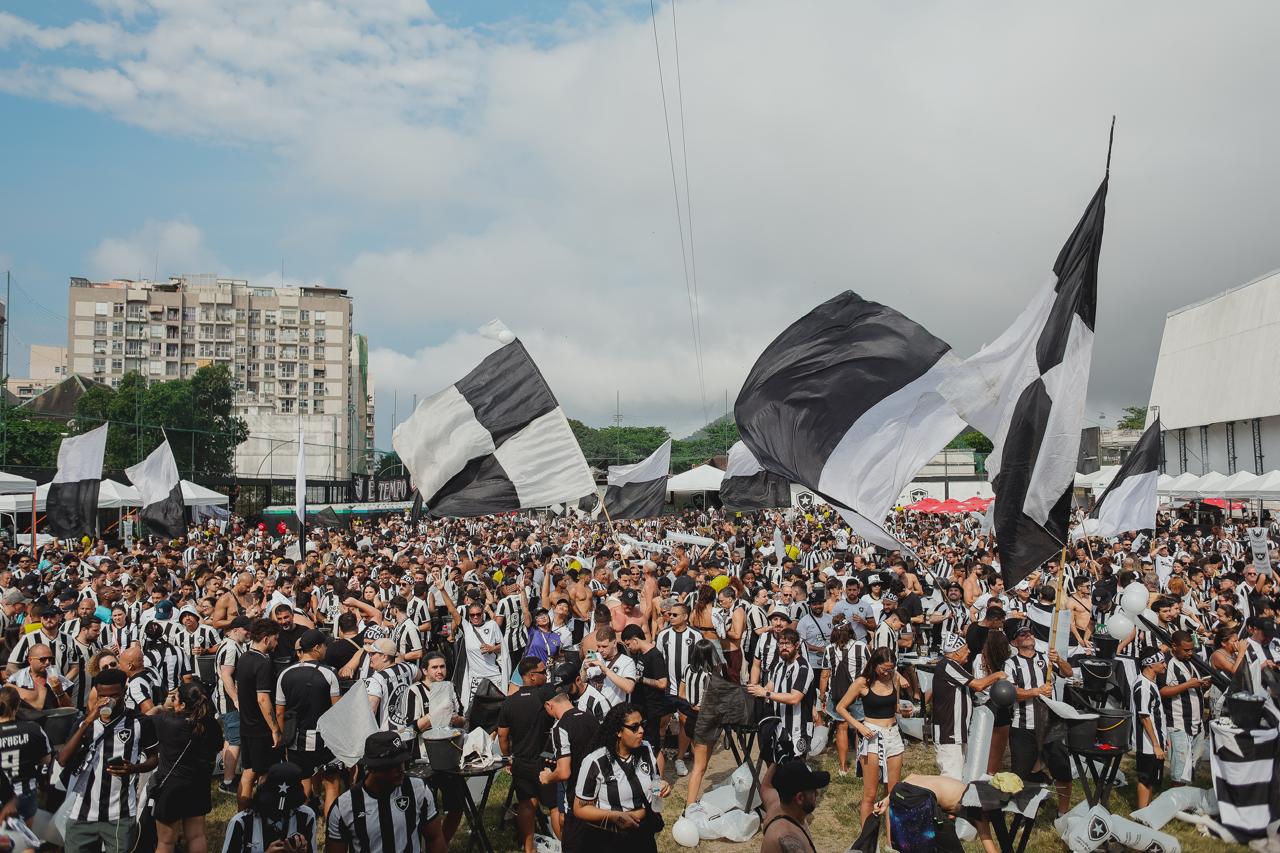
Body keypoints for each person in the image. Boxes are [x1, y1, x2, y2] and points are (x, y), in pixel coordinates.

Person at [57, 668, 159, 853]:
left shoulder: (139, 723)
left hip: (119, 814)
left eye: (115, 695)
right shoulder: (85, 724)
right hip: (82, 813)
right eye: (103, 695)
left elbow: (154, 758)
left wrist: (135, 768)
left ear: (124, 691)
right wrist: (88, 721)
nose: (108, 700)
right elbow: (63, 759)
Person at [324, 730, 445, 853]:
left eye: (402, 762)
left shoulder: (418, 790)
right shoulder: (345, 807)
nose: (401, 769)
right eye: (392, 765)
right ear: (373, 769)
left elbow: (435, 838)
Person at [572, 703, 669, 853]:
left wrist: (661, 787)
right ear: (618, 731)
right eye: (634, 727)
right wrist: (614, 816)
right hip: (611, 838)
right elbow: (580, 809)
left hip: (644, 834)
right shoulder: (596, 761)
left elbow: (654, 780)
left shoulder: (646, 749)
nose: (641, 731)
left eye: (642, 725)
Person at [836, 646, 911, 824]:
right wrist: (859, 727)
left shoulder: (894, 678)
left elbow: (895, 707)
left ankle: (891, 842)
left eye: (890, 668)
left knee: (892, 793)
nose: (887, 672)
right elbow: (841, 707)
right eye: (884, 668)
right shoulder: (863, 682)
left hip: (893, 734)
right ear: (875, 664)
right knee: (870, 794)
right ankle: (866, 842)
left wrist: (904, 711)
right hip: (872, 735)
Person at [1004, 624, 1073, 814]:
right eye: (1021, 634)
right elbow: (1011, 693)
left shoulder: (1046, 660)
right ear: (1014, 642)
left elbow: (1069, 673)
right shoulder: (1011, 664)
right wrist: (1037, 691)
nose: (1027, 636)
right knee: (1019, 774)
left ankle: (1063, 812)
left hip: (1051, 725)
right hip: (1024, 725)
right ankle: (1020, 812)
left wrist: (1059, 660)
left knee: (1062, 770)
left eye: (1029, 633)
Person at [151, 681, 224, 853]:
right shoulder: (209, 723)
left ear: (182, 704)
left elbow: (145, 720)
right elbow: (218, 746)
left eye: (174, 698)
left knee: (166, 842)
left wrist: (160, 707)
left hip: (171, 787)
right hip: (198, 784)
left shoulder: (166, 721)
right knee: (197, 835)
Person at [275, 628, 341, 814]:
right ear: (317, 647)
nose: (326, 650)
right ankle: (332, 829)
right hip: (325, 739)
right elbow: (337, 711)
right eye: (325, 646)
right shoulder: (329, 673)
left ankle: (302, 825)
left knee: (302, 783)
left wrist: (284, 736)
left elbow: (279, 711)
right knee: (332, 784)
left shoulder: (284, 674)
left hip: (296, 739)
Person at [403, 652, 466, 843]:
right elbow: (412, 727)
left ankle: (440, 845)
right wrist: (437, 714)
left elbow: (462, 719)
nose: (440, 671)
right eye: (435, 667)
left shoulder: (450, 688)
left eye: (442, 667)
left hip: (449, 755)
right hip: (424, 758)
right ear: (424, 670)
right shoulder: (415, 691)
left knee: (457, 806)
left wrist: (456, 719)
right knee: (426, 811)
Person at [931, 632, 1006, 780]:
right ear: (956, 652)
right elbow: (978, 685)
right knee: (952, 779)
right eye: (966, 649)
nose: (969, 651)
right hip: (949, 732)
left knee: (960, 775)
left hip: (957, 731)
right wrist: (997, 675)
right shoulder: (948, 665)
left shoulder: (954, 666)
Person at [497, 657, 553, 853]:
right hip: (545, 760)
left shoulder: (509, 703)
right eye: (543, 672)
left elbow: (503, 735)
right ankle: (565, 845)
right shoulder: (545, 696)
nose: (546, 675)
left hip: (520, 761)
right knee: (554, 806)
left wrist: (507, 758)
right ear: (531, 676)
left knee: (526, 804)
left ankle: (529, 849)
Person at [541, 690, 600, 849]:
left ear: (549, 705)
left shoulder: (560, 727)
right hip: (599, 793)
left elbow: (563, 771)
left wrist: (547, 777)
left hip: (576, 796)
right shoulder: (591, 718)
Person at [235, 618, 283, 807]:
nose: (277, 643)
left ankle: (242, 814)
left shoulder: (245, 657)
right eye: (275, 639)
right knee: (265, 774)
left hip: (246, 724)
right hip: (261, 728)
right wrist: (274, 728)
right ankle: (261, 812)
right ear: (266, 639)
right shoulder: (263, 663)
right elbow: (263, 699)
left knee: (248, 772)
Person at [748, 627, 815, 759]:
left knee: (794, 770)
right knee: (776, 766)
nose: (784, 647)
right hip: (780, 727)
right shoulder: (780, 666)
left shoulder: (803, 667)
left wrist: (766, 694)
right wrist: (753, 690)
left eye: (787, 644)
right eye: (781, 644)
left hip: (798, 729)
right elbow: (769, 687)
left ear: (796, 645)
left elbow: (795, 698)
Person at [221, 762, 317, 853]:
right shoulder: (241, 822)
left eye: (288, 808)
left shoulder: (306, 816)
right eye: (272, 806)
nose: (279, 813)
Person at [1157, 629, 1211, 785]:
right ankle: (1175, 803)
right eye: (1186, 650)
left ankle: (1186, 802)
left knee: (1193, 768)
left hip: (1197, 723)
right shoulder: (1166, 663)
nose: (1190, 653)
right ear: (1174, 646)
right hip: (1178, 723)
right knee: (1180, 772)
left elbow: (1195, 688)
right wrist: (1188, 684)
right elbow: (1162, 691)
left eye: (1192, 649)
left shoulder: (1192, 661)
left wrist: (1203, 686)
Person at [818, 622, 867, 776]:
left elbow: (825, 675)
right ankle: (861, 767)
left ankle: (842, 766)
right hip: (857, 693)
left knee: (841, 728)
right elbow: (869, 669)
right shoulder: (861, 646)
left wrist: (822, 695)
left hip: (837, 694)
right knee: (860, 729)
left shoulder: (829, 649)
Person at [619, 624, 671, 772]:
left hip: (652, 709)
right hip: (642, 708)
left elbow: (662, 683)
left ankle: (660, 783)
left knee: (654, 747)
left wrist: (641, 679)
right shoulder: (640, 653)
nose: (628, 648)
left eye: (628, 644)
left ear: (635, 640)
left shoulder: (654, 656)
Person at [0, 686, 51, 824]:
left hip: (3, 795)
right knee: (26, 841)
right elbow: (46, 761)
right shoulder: (33, 729)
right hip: (25, 791)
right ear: (18, 704)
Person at [759, 759, 830, 853]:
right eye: (813, 790)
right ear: (800, 798)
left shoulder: (775, 806)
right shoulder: (789, 837)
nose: (817, 793)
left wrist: (776, 760)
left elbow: (766, 787)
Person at [214, 616, 251, 795]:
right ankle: (228, 781)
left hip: (225, 699)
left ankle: (227, 777)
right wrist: (236, 699)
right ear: (236, 629)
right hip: (229, 701)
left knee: (229, 739)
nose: (249, 633)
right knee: (235, 740)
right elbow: (227, 674)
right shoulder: (230, 647)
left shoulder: (228, 643)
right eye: (246, 629)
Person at [972, 629, 1012, 774]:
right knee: (995, 753)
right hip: (998, 707)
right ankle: (990, 774)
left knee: (978, 748)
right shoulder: (1008, 663)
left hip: (979, 706)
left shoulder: (977, 659)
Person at [1133, 652, 1169, 808]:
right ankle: (1141, 815)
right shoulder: (1143, 686)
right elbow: (1145, 717)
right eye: (1162, 662)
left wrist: (1163, 739)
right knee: (1145, 779)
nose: (1165, 665)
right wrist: (1155, 744)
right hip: (1148, 743)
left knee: (1152, 779)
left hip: (1155, 740)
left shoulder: (1151, 682)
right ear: (1150, 664)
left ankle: (1146, 811)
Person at [6, 642, 73, 711]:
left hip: (52, 719)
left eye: (50, 659)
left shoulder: (59, 680)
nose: (47, 662)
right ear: (30, 660)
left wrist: (60, 691)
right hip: (24, 720)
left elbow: (69, 709)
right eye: (43, 659)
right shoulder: (15, 680)